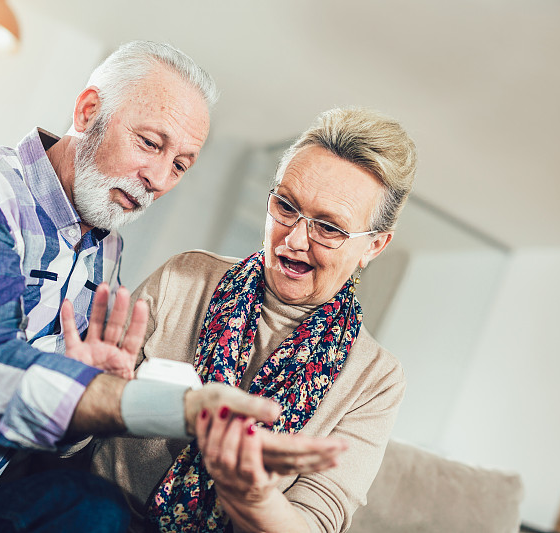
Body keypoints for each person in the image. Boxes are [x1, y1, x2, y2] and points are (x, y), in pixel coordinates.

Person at [0, 41, 340, 532]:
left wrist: (90, 389)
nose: (158, 178)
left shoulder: (106, 252)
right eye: (151, 143)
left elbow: (55, 437)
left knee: (97, 507)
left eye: (180, 164)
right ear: (89, 111)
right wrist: (158, 406)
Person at [90, 107, 417, 532]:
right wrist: (90, 394)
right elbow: (68, 440)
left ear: (374, 246)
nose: (294, 239)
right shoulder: (184, 277)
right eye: (285, 205)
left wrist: (253, 498)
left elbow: (316, 523)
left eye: (329, 228)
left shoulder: (376, 379)